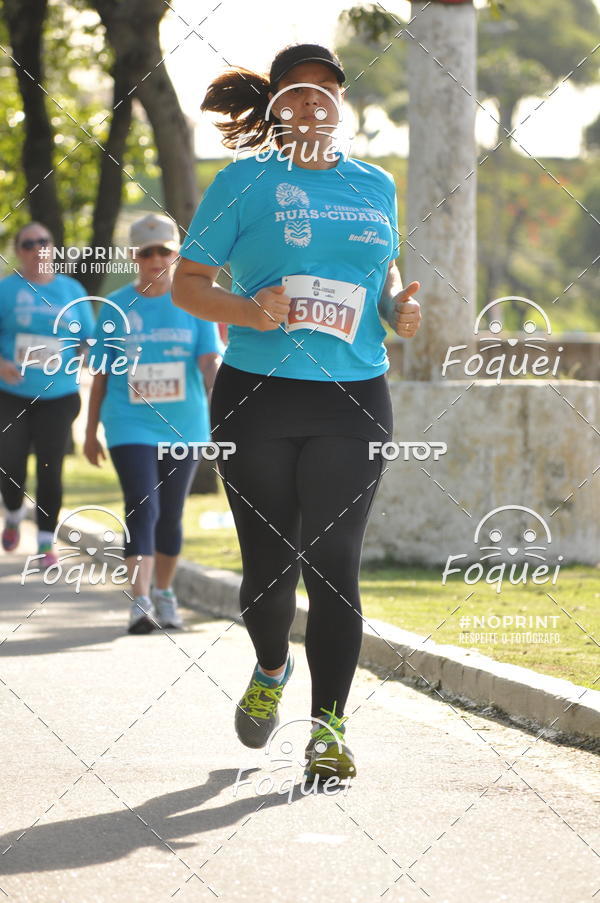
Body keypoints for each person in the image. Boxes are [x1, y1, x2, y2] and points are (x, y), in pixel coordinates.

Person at [172, 44, 421, 781]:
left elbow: (383, 273)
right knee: (270, 573)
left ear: (339, 107)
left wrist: (398, 306)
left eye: (326, 93)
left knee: (335, 563)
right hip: (257, 396)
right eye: (297, 94)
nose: (312, 103)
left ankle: (330, 728)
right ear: (275, 109)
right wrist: (247, 309)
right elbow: (188, 284)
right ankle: (271, 664)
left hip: (354, 394)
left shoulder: (374, 184)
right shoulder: (242, 183)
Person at [84, 213, 223, 634]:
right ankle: (140, 600)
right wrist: (90, 432)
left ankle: (164, 592)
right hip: (129, 422)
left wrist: (226, 409)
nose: (156, 259)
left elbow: (209, 361)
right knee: (143, 505)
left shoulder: (195, 303)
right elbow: (101, 374)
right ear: (134, 257)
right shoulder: (115, 308)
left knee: (171, 514)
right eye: (147, 252)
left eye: (164, 250)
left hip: (184, 424)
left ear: (177, 255)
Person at [0, 222, 95, 567]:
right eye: (29, 244)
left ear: (53, 247)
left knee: (49, 467)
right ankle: (12, 511)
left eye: (44, 241)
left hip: (59, 394)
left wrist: (86, 353)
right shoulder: (6, 290)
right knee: (9, 464)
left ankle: (44, 542)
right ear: (18, 251)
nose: (37, 248)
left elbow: (89, 337)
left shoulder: (71, 290)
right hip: (11, 393)